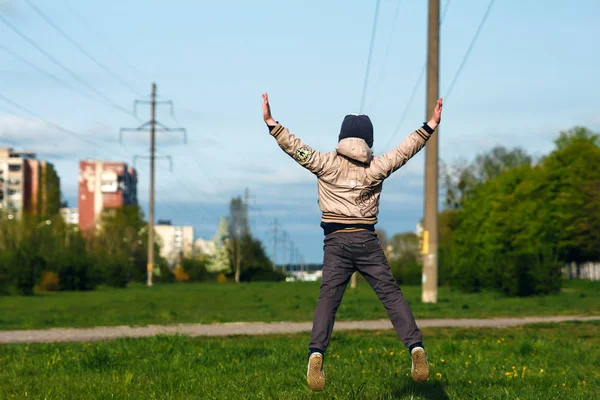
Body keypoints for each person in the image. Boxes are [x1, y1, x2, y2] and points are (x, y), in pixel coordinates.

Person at [261, 93, 443, 391]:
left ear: (341, 137)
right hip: (366, 242)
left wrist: (272, 123)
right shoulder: (377, 166)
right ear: (368, 141)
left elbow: (297, 150)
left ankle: (316, 352)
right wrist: (430, 125)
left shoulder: (324, 163)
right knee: (391, 295)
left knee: (328, 300)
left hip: (336, 243)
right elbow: (405, 150)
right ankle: (415, 347)